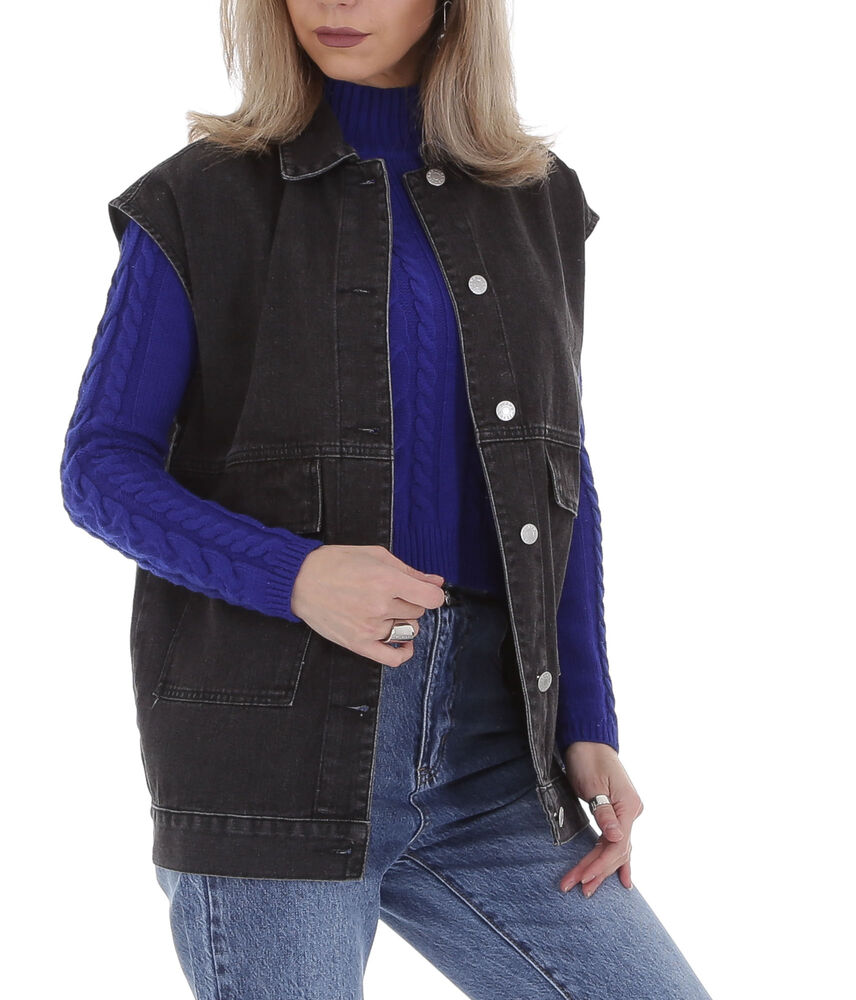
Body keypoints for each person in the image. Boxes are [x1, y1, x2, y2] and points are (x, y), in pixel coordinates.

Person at [60, 1, 713, 997]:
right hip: (274, 760)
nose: (334, 2)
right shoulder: (199, 199)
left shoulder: (539, 198)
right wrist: (295, 574)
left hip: (493, 757)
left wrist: (587, 716)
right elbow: (100, 467)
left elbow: (554, 469)